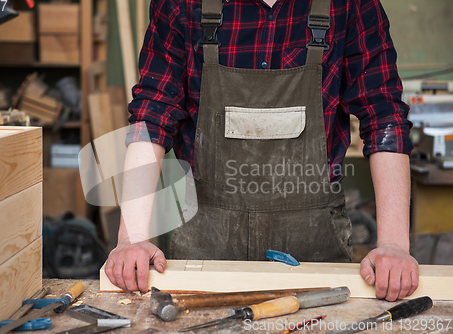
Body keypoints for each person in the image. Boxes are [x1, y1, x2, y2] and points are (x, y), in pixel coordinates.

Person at [105, 0, 419, 302]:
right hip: (207, 238)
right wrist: (131, 238)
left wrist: (393, 244)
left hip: (314, 240)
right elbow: (152, 115)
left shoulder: (349, 4)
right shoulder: (183, 3)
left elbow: (384, 117)